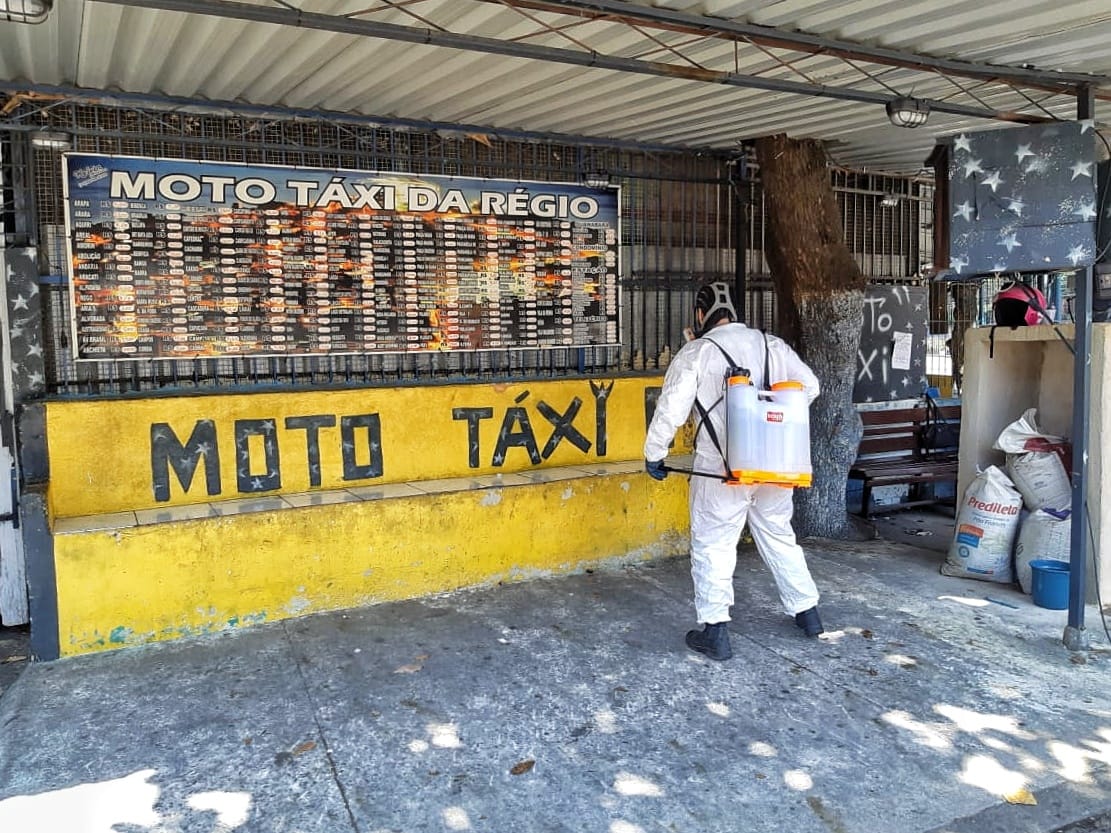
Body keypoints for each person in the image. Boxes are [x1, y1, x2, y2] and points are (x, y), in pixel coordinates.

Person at [643, 281, 824, 661]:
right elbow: (810, 387)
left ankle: (715, 631)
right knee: (779, 536)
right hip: (776, 465)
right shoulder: (770, 344)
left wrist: (654, 454)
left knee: (713, 545)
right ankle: (808, 614)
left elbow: (671, 409)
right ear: (736, 312)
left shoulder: (697, 352)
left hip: (720, 470)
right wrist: (770, 412)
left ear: (699, 314)